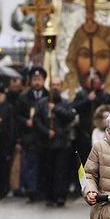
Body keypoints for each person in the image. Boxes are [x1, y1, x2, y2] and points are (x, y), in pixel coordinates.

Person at [33, 77, 76, 206]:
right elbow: (37, 120)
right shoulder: (41, 103)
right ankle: (49, 196)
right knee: (48, 171)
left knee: (61, 171)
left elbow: (70, 117)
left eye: (57, 85)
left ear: (61, 87)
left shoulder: (66, 102)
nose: (55, 87)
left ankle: (61, 195)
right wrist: (46, 131)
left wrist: (56, 108)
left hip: (62, 143)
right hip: (46, 143)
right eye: (53, 85)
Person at [17, 66, 49, 201]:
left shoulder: (48, 96)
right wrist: (25, 121)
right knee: (30, 164)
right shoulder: (23, 97)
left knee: (44, 164)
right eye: (34, 79)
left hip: (44, 135)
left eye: (39, 79)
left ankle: (43, 190)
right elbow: (17, 115)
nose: (37, 82)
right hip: (29, 136)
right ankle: (31, 190)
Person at [72, 73, 110, 167]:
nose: (94, 80)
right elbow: (74, 108)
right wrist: (87, 100)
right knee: (84, 160)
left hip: (102, 133)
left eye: (96, 78)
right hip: (84, 133)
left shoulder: (105, 95)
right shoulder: (81, 94)